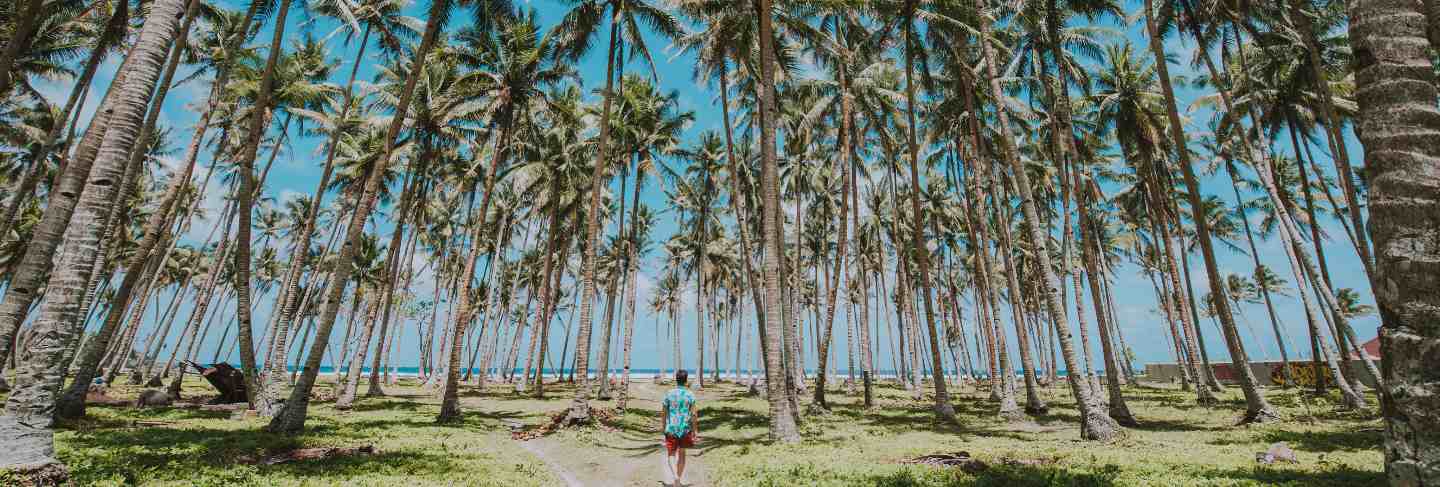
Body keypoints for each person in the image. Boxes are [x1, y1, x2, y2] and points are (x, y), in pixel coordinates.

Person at [661, 369, 698, 487]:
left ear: (676, 379)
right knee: (682, 454)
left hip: (671, 428)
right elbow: (693, 414)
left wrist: (663, 427)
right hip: (685, 429)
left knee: (671, 454)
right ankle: (678, 480)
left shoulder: (669, 394)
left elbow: (664, 413)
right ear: (686, 380)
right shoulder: (690, 395)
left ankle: (675, 477)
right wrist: (695, 430)